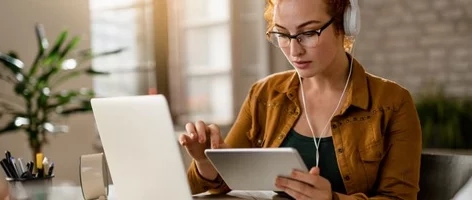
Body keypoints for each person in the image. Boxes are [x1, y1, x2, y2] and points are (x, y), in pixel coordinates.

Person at [178, 0, 422, 199]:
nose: (294, 51)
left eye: (307, 33)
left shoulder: (392, 103)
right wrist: (204, 160)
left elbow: (399, 198)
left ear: (345, 24)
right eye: (282, 34)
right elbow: (220, 185)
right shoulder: (264, 95)